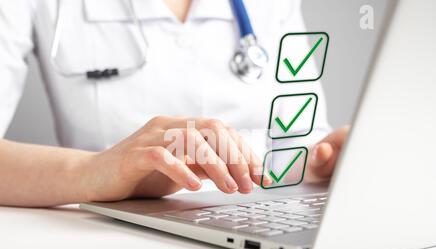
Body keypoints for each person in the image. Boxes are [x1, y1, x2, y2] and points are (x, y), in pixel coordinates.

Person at [0, 0, 349, 207]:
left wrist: (318, 162)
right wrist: (93, 171)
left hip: (261, 221)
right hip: (107, 235)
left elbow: (297, 139)